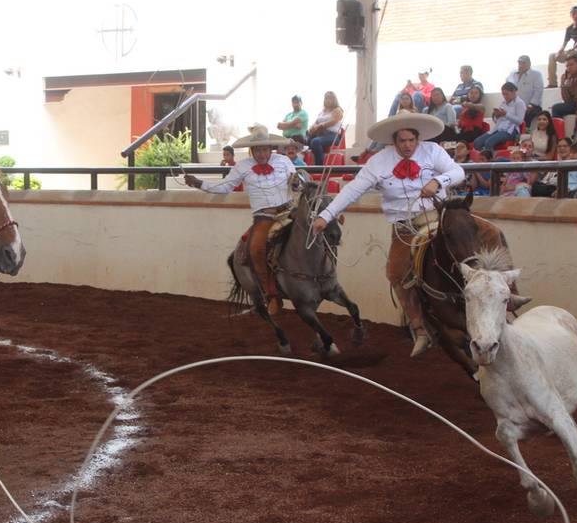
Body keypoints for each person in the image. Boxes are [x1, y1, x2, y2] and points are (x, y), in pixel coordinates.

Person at [309, 113, 464, 357]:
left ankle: (506, 296)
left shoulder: (433, 151)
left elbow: (457, 172)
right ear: (394, 140)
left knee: (478, 240)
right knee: (395, 273)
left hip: (438, 217)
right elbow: (353, 190)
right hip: (405, 228)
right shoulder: (378, 162)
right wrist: (326, 215)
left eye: (411, 139)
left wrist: (437, 181)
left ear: (417, 137)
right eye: (402, 140)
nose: (407, 145)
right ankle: (420, 329)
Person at [184, 124, 298, 315]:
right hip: (264, 216)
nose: (261, 154)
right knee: (256, 249)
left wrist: (297, 181)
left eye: (264, 149)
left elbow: (298, 180)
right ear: (251, 150)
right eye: (257, 150)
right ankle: (271, 295)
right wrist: (198, 183)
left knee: (315, 230)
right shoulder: (243, 166)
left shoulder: (284, 161)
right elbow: (224, 187)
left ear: (271, 148)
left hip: (289, 209)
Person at [474, 82, 526, 151]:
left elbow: (519, 121)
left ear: (514, 92)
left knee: (489, 142)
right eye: (503, 94)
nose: (505, 96)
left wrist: (506, 114)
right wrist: (496, 116)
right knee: (477, 142)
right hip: (499, 128)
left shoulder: (519, 103)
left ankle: (490, 160)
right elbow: (497, 120)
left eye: (507, 94)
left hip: (510, 130)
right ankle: (483, 158)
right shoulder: (503, 103)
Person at [548, 6, 577, 88]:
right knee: (552, 56)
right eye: (573, 14)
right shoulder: (569, 28)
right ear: (571, 15)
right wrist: (559, 52)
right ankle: (552, 82)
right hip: (573, 51)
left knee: (576, 52)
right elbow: (564, 43)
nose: (575, 16)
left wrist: (574, 47)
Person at [306, 91, 344, 166]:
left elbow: (333, 122)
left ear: (334, 99)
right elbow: (315, 122)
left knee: (315, 141)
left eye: (330, 98)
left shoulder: (338, 110)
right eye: (326, 98)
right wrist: (311, 128)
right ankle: (310, 163)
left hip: (333, 136)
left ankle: (319, 165)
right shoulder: (322, 112)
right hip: (321, 134)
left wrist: (321, 126)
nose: (327, 100)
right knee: (308, 139)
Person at [507, 55, 545, 126]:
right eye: (519, 63)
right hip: (516, 105)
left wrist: (531, 105)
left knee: (526, 115)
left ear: (529, 64)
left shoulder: (536, 74)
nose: (521, 65)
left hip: (532, 106)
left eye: (523, 63)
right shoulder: (512, 74)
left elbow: (538, 91)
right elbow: (507, 87)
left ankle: (525, 133)